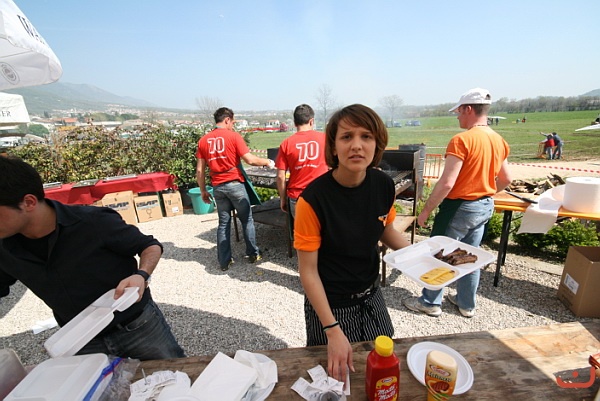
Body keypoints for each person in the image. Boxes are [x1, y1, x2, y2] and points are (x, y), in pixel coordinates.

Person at [0, 156, 185, 360]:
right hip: (81, 340)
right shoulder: (4, 247)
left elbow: (149, 245)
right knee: (104, 382)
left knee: (173, 372)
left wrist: (142, 275)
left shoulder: (92, 222)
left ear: (29, 202)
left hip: (137, 326)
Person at [294, 104, 411, 382]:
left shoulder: (383, 185)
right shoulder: (312, 200)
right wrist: (332, 329)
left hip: (371, 294)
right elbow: (308, 271)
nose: (357, 145)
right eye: (347, 137)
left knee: (380, 366)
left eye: (366, 136)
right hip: (330, 304)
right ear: (333, 147)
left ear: (377, 143)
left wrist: (421, 258)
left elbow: (385, 230)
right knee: (336, 379)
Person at [403, 88, 512, 318]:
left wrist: (425, 211)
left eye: (459, 112)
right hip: (484, 206)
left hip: (458, 207)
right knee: (470, 256)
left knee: (438, 253)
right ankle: (466, 304)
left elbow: (446, 183)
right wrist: (485, 192)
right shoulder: (499, 140)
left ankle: (430, 302)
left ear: (468, 109)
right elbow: (506, 179)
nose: (457, 117)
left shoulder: (462, 140)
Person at [196, 107, 274, 271]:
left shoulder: (203, 141)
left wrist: (203, 190)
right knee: (246, 219)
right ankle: (253, 254)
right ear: (227, 120)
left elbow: (200, 170)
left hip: (218, 186)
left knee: (223, 223)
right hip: (235, 185)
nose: (233, 125)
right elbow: (250, 160)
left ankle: (224, 261)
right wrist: (267, 162)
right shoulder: (233, 136)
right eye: (232, 122)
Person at [275, 104, 328, 218]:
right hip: (321, 195)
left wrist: (283, 198)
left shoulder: (286, 143)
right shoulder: (325, 139)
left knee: (301, 229)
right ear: (311, 121)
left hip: (297, 197)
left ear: (295, 123)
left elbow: (280, 176)